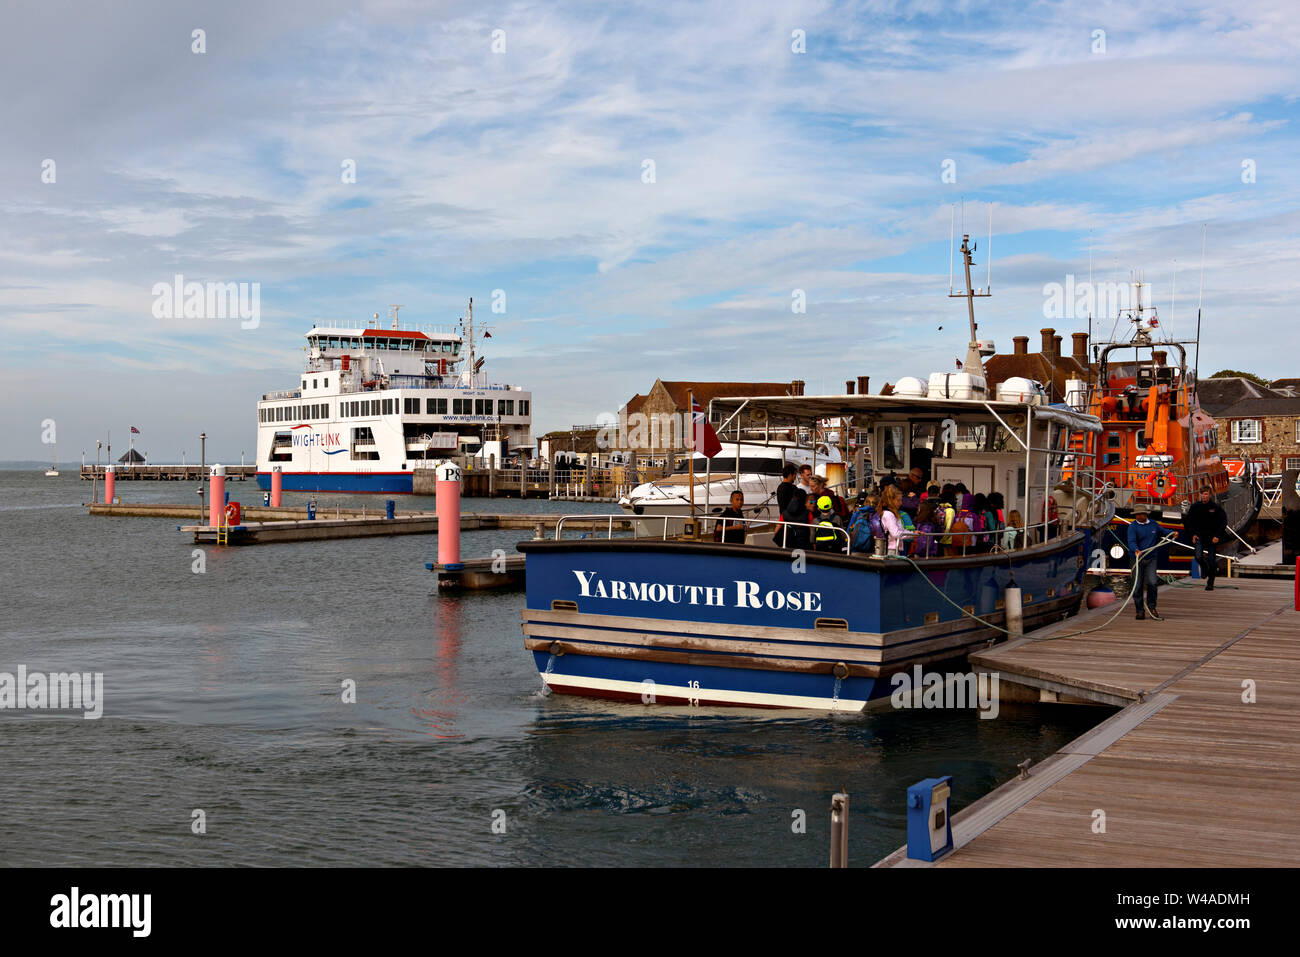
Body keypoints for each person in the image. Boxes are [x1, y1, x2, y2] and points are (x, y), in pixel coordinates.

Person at [1186, 486, 1227, 590]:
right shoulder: (1195, 507)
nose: (1204, 496)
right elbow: (1188, 522)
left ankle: (1210, 583)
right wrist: (1192, 534)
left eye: (1206, 494)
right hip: (1199, 536)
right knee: (1198, 557)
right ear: (1200, 495)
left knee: (1212, 560)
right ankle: (1204, 568)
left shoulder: (1215, 507)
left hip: (1211, 537)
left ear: (1210, 495)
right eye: (1202, 494)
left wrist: (1217, 535)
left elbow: (1223, 522)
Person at [1127, 506, 1163, 620]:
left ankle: (1152, 607)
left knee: (1152, 582)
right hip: (1137, 559)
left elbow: (1163, 531)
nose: (1138, 516)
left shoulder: (1154, 524)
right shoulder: (1132, 526)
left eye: (1140, 514)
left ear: (1145, 515)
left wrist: (1173, 533)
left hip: (1151, 558)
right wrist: (1136, 549)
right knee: (1137, 586)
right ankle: (1140, 610)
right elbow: (1131, 541)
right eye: (1136, 515)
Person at [773, 464, 799, 546]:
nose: (795, 477)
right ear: (790, 475)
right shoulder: (792, 488)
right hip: (792, 521)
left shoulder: (780, 487)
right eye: (795, 474)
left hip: (783, 518)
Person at [778, 485, 810, 549]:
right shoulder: (808, 514)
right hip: (804, 547)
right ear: (804, 500)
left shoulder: (784, 513)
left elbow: (777, 530)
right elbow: (811, 532)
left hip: (788, 546)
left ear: (792, 497)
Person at [878, 484, 905, 555]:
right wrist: (912, 534)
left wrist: (913, 533)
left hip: (894, 548)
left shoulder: (892, 513)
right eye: (898, 500)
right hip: (891, 549)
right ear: (890, 501)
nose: (901, 503)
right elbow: (895, 534)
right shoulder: (889, 515)